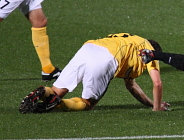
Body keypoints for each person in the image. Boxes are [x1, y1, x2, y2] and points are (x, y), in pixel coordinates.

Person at [19, 33, 169, 113]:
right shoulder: (149, 51)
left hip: (88, 48)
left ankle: (43, 92)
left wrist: (151, 103)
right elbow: (157, 83)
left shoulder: (131, 42)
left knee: (56, 92)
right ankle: (58, 103)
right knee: (87, 104)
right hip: (107, 58)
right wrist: (157, 108)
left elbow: (131, 85)